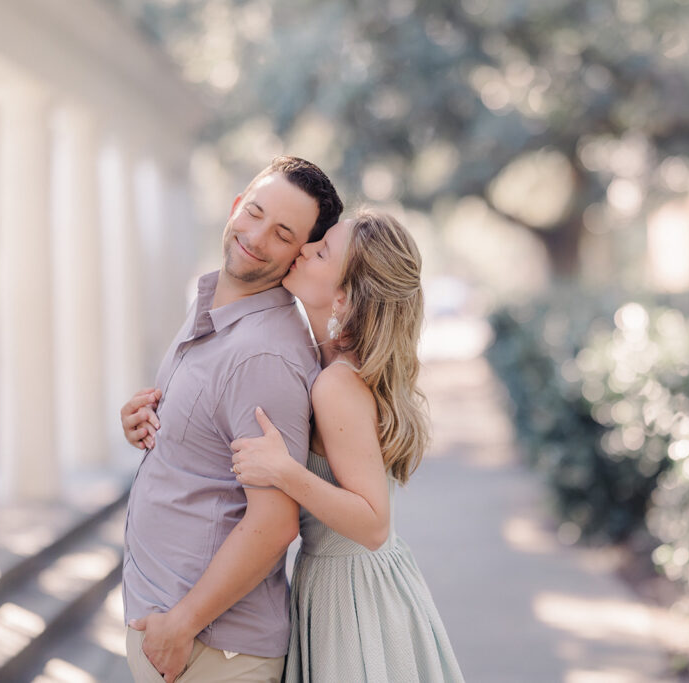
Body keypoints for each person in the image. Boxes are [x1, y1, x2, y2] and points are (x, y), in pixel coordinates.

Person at [118, 155, 342, 683]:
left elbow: (274, 520)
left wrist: (181, 626)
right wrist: (149, 423)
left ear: (298, 255)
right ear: (238, 204)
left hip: (211, 649)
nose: (256, 237)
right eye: (256, 212)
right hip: (176, 633)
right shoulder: (212, 306)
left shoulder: (265, 355)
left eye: (283, 233)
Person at [229, 209, 465, 682]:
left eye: (321, 252)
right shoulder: (339, 370)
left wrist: (283, 471)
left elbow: (374, 524)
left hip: (353, 596)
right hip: (359, 584)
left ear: (343, 296)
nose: (303, 250)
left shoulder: (337, 384)